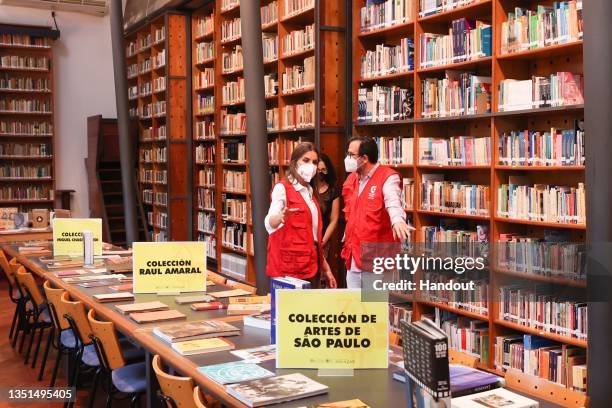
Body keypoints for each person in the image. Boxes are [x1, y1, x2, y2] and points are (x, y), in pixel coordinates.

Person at [341, 135, 413, 288]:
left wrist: (397, 220)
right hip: (353, 256)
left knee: (373, 309)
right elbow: (352, 212)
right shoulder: (351, 180)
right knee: (354, 309)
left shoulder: (387, 177)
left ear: (364, 158)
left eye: (351, 155)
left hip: (375, 260)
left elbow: (392, 201)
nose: (347, 159)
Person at [265, 142, 337, 288]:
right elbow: (269, 222)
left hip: (311, 267)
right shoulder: (282, 188)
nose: (311, 165)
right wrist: (280, 217)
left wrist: (326, 268)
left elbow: (313, 238)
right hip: (289, 271)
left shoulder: (311, 192)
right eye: (306, 160)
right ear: (294, 163)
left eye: (315, 162)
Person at [316, 153, 340, 259]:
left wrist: (324, 241)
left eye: (323, 170)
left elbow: (334, 219)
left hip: (323, 239)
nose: (320, 173)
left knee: (321, 273)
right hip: (305, 239)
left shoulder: (332, 191)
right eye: (318, 170)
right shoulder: (307, 189)